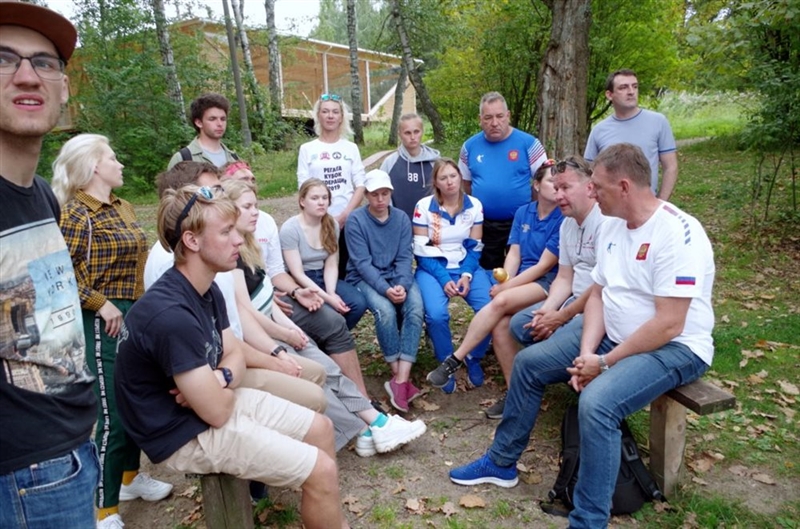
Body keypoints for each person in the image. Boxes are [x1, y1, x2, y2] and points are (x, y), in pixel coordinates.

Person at [447, 143, 715, 529]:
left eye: (597, 187)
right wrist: (587, 351)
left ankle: (588, 519)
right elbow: (600, 294)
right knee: (528, 364)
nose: (592, 193)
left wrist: (603, 363)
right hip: (612, 336)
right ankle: (501, 463)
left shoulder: (677, 232)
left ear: (624, 187)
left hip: (673, 347)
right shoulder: (615, 226)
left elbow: (670, 323)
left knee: (597, 404)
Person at [115, 185, 350, 529]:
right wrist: (220, 382)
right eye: (226, 232)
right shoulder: (170, 314)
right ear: (192, 241)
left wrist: (221, 376)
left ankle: (327, 513)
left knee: (321, 428)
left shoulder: (207, 288)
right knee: (322, 468)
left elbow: (235, 353)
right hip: (180, 431)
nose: (239, 239)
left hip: (206, 403)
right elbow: (218, 411)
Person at [225, 179, 426, 455]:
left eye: (256, 205)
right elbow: (245, 312)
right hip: (259, 336)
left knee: (326, 362)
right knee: (316, 373)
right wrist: (283, 336)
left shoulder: (247, 244)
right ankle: (367, 429)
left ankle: (374, 423)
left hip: (276, 319)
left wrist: (293, 325)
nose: (256, 212)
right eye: (248, 206)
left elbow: (266, 295)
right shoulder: (231, 255)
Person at [0, 4, 99, 527]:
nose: (26, 75)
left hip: (68, 448)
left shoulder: (42, 196)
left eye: (44, 62)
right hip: (20, 470)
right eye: (3, 59)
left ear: (63, 88)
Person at [52, 134, 172, 528]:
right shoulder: (75, 214)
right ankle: (104, 509)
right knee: (112, 413)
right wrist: (98, 302)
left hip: (132, 312)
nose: (120, 164)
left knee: (137, 399)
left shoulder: (123, 207)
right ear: (93, 167)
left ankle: (129, 479)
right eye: (113, 158)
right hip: (101, 319)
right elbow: (58, 274)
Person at [426, 160, 563, 394]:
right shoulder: (523, 212)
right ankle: (514, 392)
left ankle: (455, 359)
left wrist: (507, 288)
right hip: (521, 279)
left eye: (561, 184)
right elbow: (514, 254)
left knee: (499, 300)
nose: (557, 188)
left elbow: (544, 266)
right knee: (499, 325)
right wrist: (506, 280)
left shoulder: (563, 218)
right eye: (552, 181)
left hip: (547, 281)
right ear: (537, 185)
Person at [487, 156, 606, 419]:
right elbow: (564, 278)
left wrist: (560, 316)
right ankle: (538, 380)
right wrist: (549, 310)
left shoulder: (605, 222)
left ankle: (553, 388)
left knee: (530, 358)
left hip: (597, 309)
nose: (559, 195)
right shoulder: (567, 223)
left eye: (566, 188)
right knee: (520, 324)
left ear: (589, 187)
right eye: (556, 187)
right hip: (570, 301)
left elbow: (601, 287)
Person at [346, 169, 425, 413]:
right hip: (364, 278)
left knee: (415, 309)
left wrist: (401, 284)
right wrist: (385, 289)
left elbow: (404, 257)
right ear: (366, 196)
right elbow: (362, 263)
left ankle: (400, 380)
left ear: (391, 193)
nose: (380, 200)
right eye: (374, 194)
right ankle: (397, 373)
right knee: (385, 311)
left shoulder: (401, 218)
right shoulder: (356, 221)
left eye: (385, 194)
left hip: (396, 276)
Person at [412, 158, 491, 394]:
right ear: (436, 182)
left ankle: (473, 356)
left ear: (460, 177)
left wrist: (466, 274)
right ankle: (446, 363)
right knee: (436, 315)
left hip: (465, 265)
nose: (449, 182)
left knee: (490, 309)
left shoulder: (474, 205)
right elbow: (421, 251)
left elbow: (475, 246)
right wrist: (444, 279)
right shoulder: (424, 206)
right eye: (443, 178)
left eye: (453, 176)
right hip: (433, 266)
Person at [459, 91, 548, 270]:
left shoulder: (529, 144)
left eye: (499, 116)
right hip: (484, 225)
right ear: (480, 119)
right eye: (488, 118)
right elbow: (465, 184)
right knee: (488, 271)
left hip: (521, 223)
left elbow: (544, 182)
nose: (494, 123)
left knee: (521, 270)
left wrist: (532, 213)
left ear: (508, 115)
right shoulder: (469, 147)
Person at [281, 178, 368, 330]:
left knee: (358, 303)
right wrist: (328, 299)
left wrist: (331, 292)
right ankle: (329, 336)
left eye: (324, 198)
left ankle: (335, 338)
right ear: (302, 201)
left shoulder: (332, 224)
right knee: (328, 313)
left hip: (324, 275)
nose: (321, 202)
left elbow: (331, 264)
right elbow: (297, 273)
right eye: (314, 198)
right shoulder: (290, 229)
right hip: (301, 281)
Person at [297, 93, 366, 278]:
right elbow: (303, 186)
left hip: (347, 219)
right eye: (325, 111)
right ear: (318, 115)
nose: (330, 116)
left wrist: (345, 215)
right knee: (319, 268)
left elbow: (360, 184)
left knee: (346, 267)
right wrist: (321, 215)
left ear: (341, 117)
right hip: (317, 219)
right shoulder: (307, 149)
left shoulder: (351, 148)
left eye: (335, 112)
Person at [584, 69, 678, 201]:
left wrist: (661, 202)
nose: (631, 92)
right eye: (623, 87)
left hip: (646, 205)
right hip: (610, 207)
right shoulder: (599, 130)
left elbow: (671, 167)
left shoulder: (658, 122)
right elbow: (588, 173)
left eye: (635, 86)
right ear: (609, 95)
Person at [380, 113, 440, 219]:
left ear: (422, 131)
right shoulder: (390, 163)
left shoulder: (435, 162)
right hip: (398, 222)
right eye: (407, 133)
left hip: (429, 221)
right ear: (399, 134)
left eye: (416, 132)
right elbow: (380, 193)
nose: (412, 137)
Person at [167, 93, 239, 169]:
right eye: (212, 119)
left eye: (223, 119)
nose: (220, 124)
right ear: (199, 123)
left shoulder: (234, 158)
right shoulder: (183, 158)